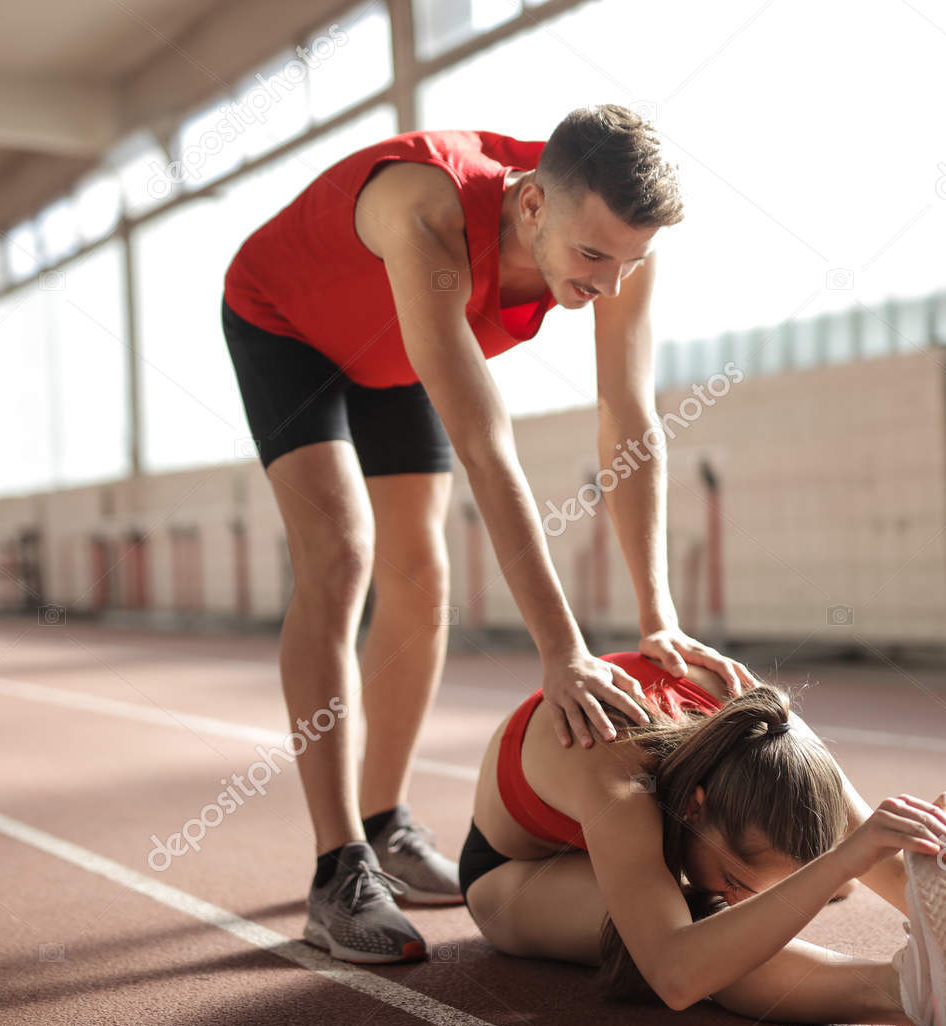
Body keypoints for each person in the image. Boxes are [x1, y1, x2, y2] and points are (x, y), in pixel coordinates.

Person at [221, 104, 755, 964]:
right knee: (343, 553)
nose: (609, 287)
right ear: (533, 205)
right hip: (289, 324)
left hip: (397, 342)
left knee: (424, 576)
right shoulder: (425, 211)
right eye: (592, 260)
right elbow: (483, 442)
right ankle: (336, 864)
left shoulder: (614, 243)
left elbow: (629, 418)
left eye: (631, 265)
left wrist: (658, 617)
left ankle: (385, 818)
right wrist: (562, 651)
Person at [459, 650, 946, 1026]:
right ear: (695, 808)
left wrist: (935, 851)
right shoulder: (620, 781)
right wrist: (840, 863)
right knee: (707, 935)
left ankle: (931, 984)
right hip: (516, 873)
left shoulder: (774, 736)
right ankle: (911, 991)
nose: (739, 894)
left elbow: (874, 849)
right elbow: (675, 976)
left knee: (776, 886)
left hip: (659, 830)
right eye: (733, 877)